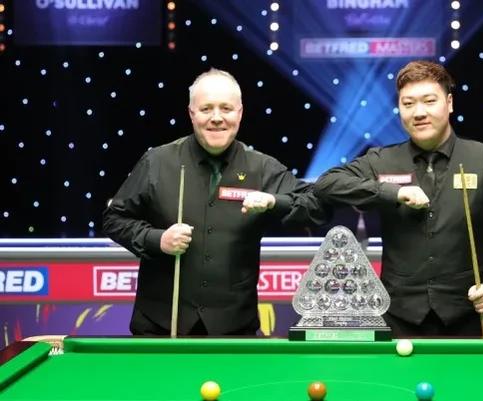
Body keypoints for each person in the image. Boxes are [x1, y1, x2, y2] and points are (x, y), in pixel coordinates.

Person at [313, 60, 483, 336]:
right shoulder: (381, 160)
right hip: (399, 320)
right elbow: (326, 184)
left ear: (449, 103)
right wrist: (393, 192)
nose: (419, 113)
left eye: (429, 101)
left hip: (469, 318)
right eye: (408, 104)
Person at [103, 68, 328, 336]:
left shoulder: (262, 168)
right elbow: (114, 219)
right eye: (206, 109)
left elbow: (316, 205)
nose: (217, 117)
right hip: (161, 327)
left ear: (239, 113)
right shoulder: (157, 162)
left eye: (226, 108)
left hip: (234, 330)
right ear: (192, 113)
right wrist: (156, 239)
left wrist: (274, 201)